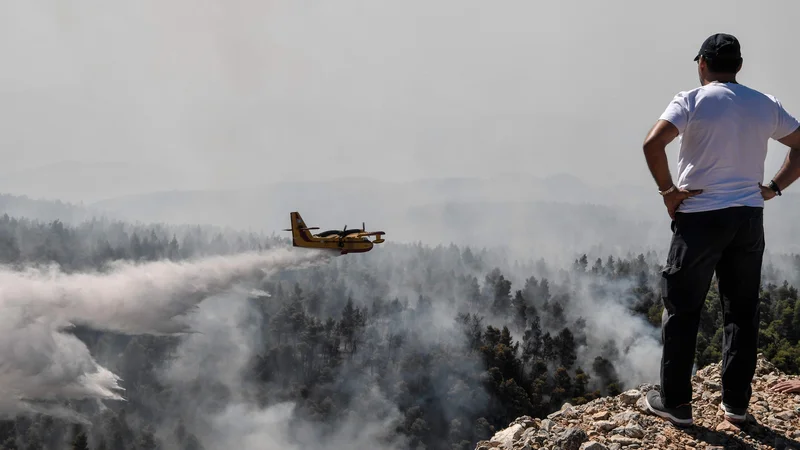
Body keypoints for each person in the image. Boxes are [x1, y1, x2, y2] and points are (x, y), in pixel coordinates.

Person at [640, 33, 800, 427]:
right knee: (742, 312)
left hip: (700, 217)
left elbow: (652, 144)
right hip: (747, 216)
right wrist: (774, 188)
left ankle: (676, 403)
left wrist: (668, 192)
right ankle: (737, 405)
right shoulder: (764, 103)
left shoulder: (690, 100)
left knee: (682, 310)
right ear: (739, 66)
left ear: (702, 64)